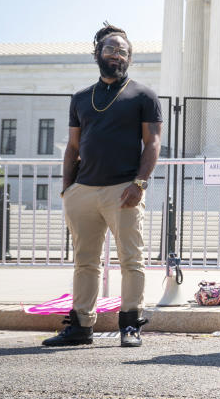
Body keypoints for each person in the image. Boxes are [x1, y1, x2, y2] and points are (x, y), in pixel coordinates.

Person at [44, 23, 162, 348]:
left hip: (124, 189)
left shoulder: (143, 95)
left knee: (131, 259)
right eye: (110, 49)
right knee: (85, 262)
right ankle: (81, 326)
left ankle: (130, 324)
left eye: (122, 51)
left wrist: (140, 183)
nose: (116, 55)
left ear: (130, 58)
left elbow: (152, 143)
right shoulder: (81, 98)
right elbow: (72, 147)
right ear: (98, 53)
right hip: (83, 191)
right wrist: (68, 189)